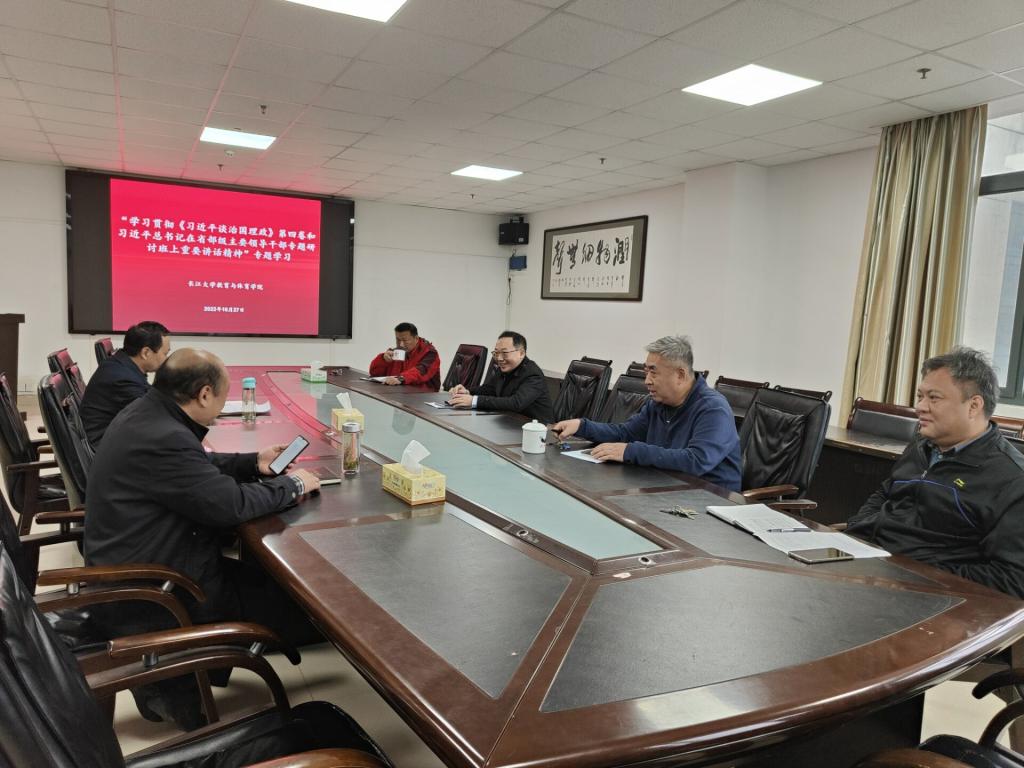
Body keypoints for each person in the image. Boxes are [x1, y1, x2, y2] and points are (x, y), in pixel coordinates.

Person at [85, 348, 322, 728]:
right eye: (223, 397)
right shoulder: (164, 436)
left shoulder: (148, 414)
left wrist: (252, 462)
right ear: (205, 394)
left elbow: (195, 468)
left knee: (276, 584)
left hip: (150, 564)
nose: (222, 406)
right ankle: (167, 685)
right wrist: (291, 484)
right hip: (156, 592)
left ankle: (170, 682)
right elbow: (230, 505)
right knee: (304, 607)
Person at [846, 347, 1024, 598]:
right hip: (871, 565)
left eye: (934, 398)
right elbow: (885, 493)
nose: (920, 407)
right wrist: (856, 533)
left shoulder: (1012, 479)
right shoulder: (922, 445)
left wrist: (919, 574)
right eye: (920, 396)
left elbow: (1012, 578)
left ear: (974, 406)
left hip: (931, 594)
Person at [551, 335, 741, 490]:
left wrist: (632, 451)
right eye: (646, 372)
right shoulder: (658, 404)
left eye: (654, 372)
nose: (647, 380)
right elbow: (625, 433)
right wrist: (582, 426)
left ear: (680, 375)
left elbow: (696, 461)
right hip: (666, 487)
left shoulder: (713, 408)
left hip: (710, 498)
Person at [80, 321, 170, 447]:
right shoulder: (122, 379)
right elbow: (155, 415)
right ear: (146, 353)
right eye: (165, 354)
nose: (166, 360)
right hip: (107, 448)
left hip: (115, 439)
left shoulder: (122, 365)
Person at [448, 331, 553, 422]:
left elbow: (515, 403)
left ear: (521, 353)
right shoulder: (505, 368)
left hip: (535, 430)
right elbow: (490, 389)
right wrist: (468, 392)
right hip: (508, 422)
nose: (499, 358)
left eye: (504, 353)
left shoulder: (533, 374)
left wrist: (474, 401)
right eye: (496, 353)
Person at [368, 321, 441, 390]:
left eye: (405, 340)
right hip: (396, 392)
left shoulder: (430, 353)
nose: (401, 344)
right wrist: (383, 359)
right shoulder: (394, 352)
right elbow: (374, 373)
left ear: (416, 338)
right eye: (398, 340)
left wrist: (401, 378)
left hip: (423, 395)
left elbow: (421, 371)